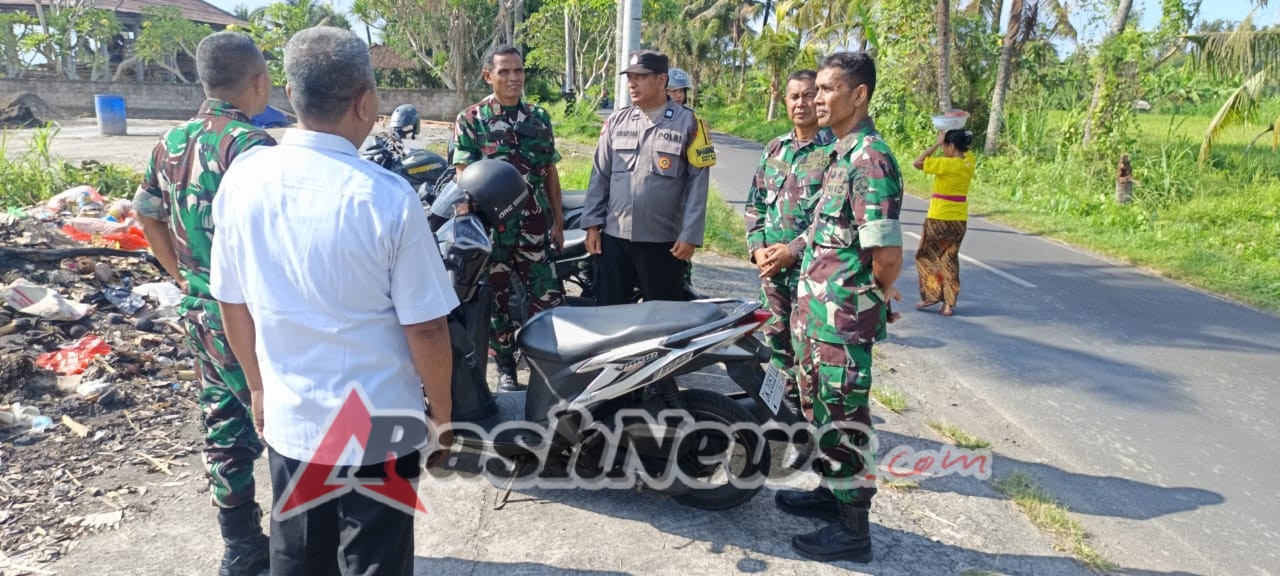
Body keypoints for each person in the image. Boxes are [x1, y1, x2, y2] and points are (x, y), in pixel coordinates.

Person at [209, 27, 457, 576]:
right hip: (379, 422)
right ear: (365, 102)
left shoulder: (245, 180)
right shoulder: (386, 197)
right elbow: (426, 328)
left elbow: (232, 302)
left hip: (292, 415)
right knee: (376, 560)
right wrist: (441, 411)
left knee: (298, 555)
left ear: (290, 96)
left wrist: (256, 386)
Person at [132, 31, 274, 576]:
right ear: (257, 82)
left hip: (198, 309)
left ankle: (240, 547)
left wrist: (187, 274)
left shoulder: (169, 142)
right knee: (281, 419)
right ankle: (299, 541)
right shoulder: (250, 146)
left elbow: (147, 215)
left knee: (223, 423)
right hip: (252, 317)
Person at [770, 52, 904, 564]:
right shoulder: (842, 153)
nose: (819, 98)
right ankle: (831, 494)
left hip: (841, 320)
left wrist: (867, 296)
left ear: (859, 94)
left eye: (828, 89)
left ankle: (853, 530)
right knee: (821, 409)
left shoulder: (870, 157)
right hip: (818, 317)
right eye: (816, 89)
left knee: (844, 416)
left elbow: (886, 256)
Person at [452, 45, 564, 392]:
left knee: (547, 298)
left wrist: (558, 222)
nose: (514, 78)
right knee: (497, 304)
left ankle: (548, 368)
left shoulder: (539, 118)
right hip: (493, 232)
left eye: (518, 71)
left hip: (534, 228)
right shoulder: (471, 120)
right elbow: (462, 176)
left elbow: (549, 173)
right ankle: (505, 370)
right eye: (505, 72)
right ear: (489, 76)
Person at [582, 50, 716, 304]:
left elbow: (698, 185)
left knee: (662, 315)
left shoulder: (689, 123)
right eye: (630, 77)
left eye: (641, 77)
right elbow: (599, 175)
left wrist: (690, 235)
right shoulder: (616, 121)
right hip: (615, 238)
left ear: (661, 80)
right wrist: (592, 226)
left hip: (662, 241)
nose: (632, 83)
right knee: (610, 312)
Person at [743, 69, 835, 398]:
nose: (801, 103)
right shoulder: (775, 149)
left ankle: (813, 420)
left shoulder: (835, 152)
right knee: (777, 342)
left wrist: (792, 250)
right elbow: (755, 204)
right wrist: (758, 250)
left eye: (808, 95)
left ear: (820, 98)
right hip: (771, 270)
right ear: (785, 102)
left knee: (811, 349)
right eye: (794, 96)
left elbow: (831, 217)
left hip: (811, 272)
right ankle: (784, 412)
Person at [912, 129, 975, 316]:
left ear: (952, 146)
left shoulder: (945, 164)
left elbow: (917, 162)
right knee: (950, 259)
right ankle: (949, 304)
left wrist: (936, 144)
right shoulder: (969, 162)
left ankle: (932, 294)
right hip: (959, 219)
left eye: (946, 146)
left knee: (927, 256)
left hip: (938, 217)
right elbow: (965, 147)